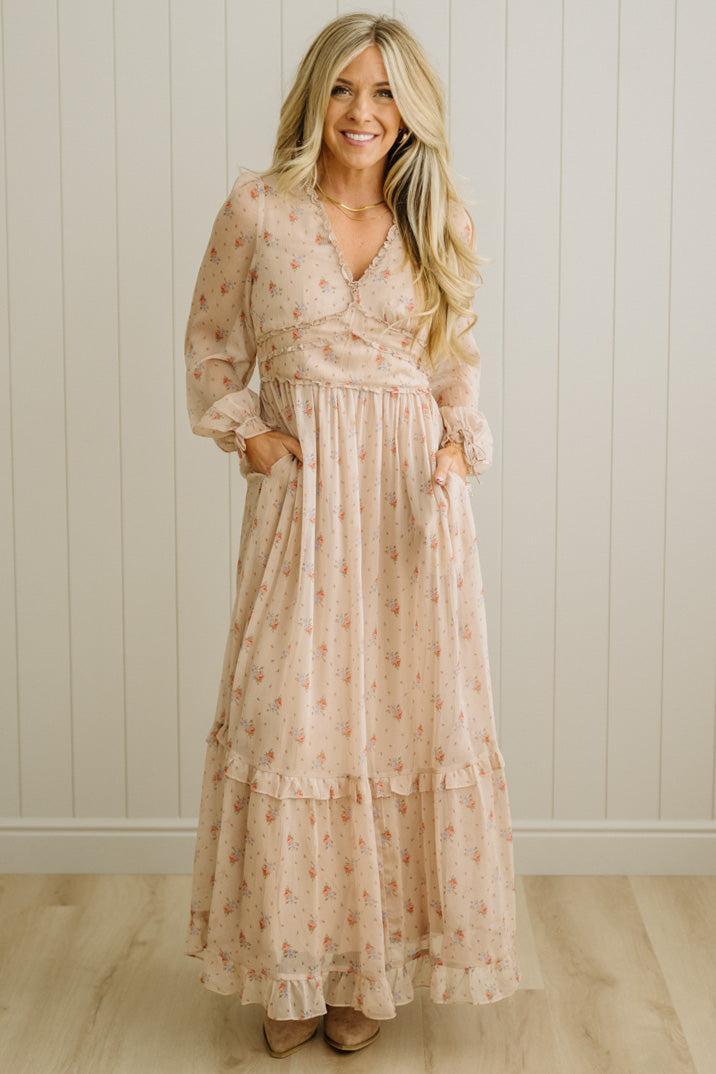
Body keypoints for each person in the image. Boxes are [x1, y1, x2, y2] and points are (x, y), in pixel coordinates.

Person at [183, 12, 521, 1060]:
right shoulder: (257, 212)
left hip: (410, 506)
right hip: (306, 495)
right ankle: (291, 960)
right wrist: (253, 443)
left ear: (408, 108)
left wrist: (456, 452)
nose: (361, 113)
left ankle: (371, 969)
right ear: (312, 98)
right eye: (341, 90)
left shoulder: (438, 215)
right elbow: (208, 348)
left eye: (381, 94)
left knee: (400, 724)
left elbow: (454, 367)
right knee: (296, 723)